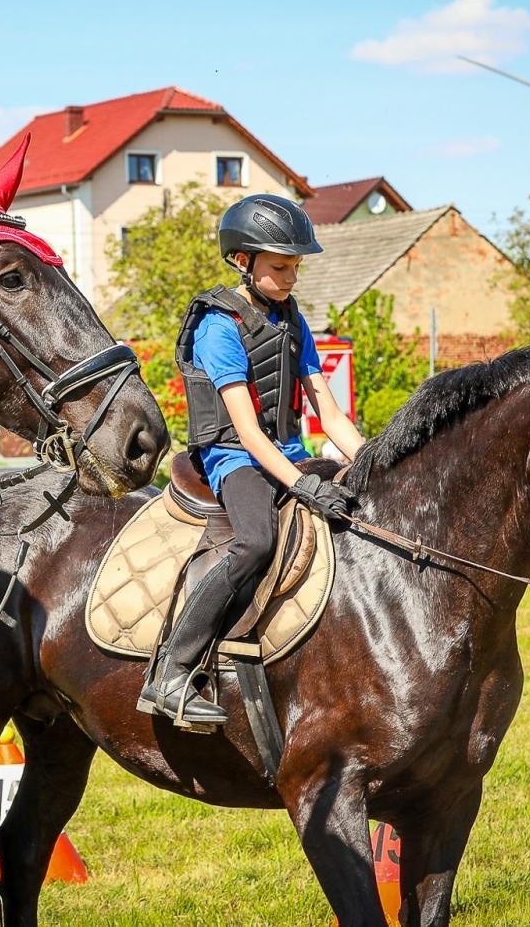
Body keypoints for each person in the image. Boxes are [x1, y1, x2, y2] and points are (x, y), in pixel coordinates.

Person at [138, 194, 365, 727]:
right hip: (232, 457)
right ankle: (172, 670)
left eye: (296, 267)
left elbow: (327, 411)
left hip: (289, 454)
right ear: (243, 260)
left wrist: (375, 460)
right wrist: (303, 486)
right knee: (255, 540)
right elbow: (246, 430)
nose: (292, 277)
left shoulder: (293, 321)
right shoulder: (218, 326)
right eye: (280, 267)